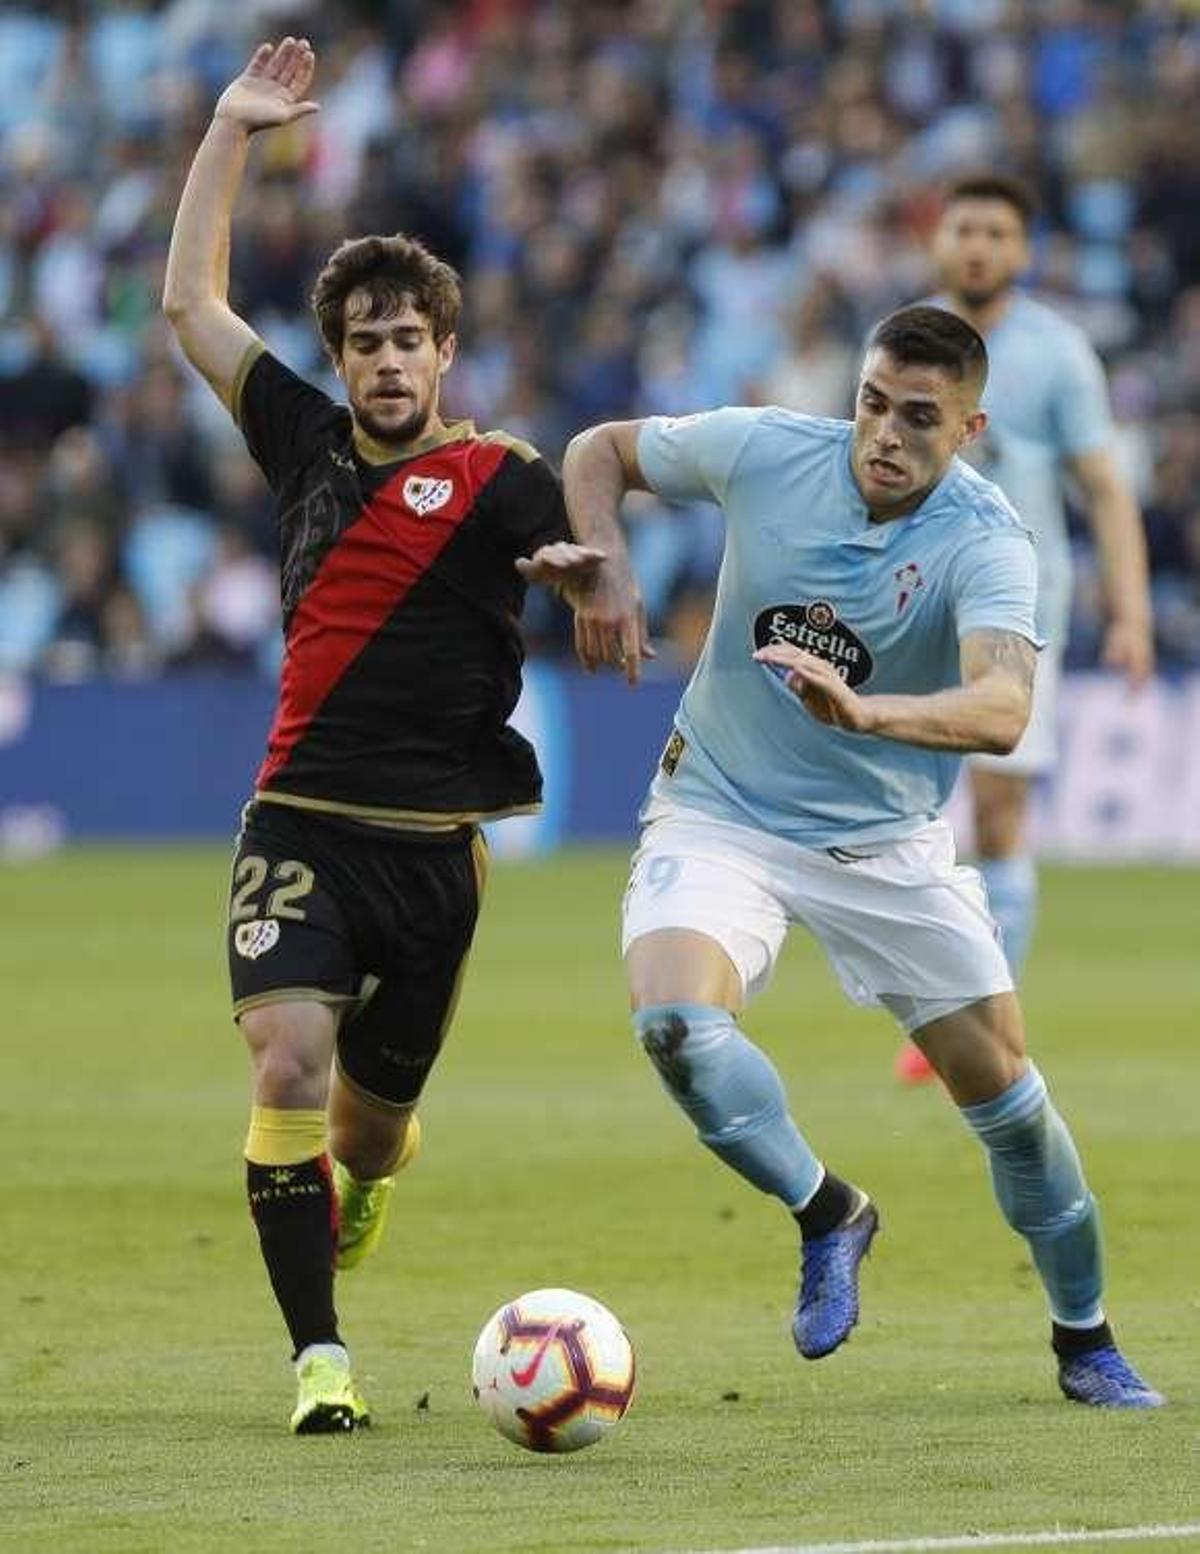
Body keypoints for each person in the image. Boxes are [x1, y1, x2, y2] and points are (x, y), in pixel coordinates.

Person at [560, 304, 1164, 1409]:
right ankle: (828, 1211)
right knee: (675, 1025)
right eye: (873, 403)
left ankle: (1087, 1340)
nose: (884, 433)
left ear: (970, 429)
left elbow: (1002, 705)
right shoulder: (764, 449)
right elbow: (599, 448)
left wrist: (870, 716)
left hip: (887, 844)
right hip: (721, 813)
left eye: (918, 418)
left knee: (1014, 1106)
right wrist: (605, 562)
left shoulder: (988, 540)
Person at [162, 38, 597, 1433]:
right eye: (366, 340)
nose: (388, 358)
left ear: (445, 352)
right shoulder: (297, 437)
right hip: (300, 825)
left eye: (411, 338)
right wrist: (234, 131)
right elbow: (189, 301)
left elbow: (581, 545)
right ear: (341, 357)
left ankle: (373, 1177)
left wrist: (590, 580)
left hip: (434, 857)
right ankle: (320, 1361)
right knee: (284, 1064)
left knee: (366, 1129)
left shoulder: (497, 477)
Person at [895, 173, 1154, 1084]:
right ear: (941, 239)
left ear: (1024, 250)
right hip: (910, 599)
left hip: (1015, 613)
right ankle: (933, 990)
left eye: (997, 234)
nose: (978, 247)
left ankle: (981, 1007)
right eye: (964, 228)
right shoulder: (902, 342)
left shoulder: (1058, 352)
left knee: (1001, 812)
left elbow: (1106, 488)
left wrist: (1130, 611)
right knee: (904, 810)